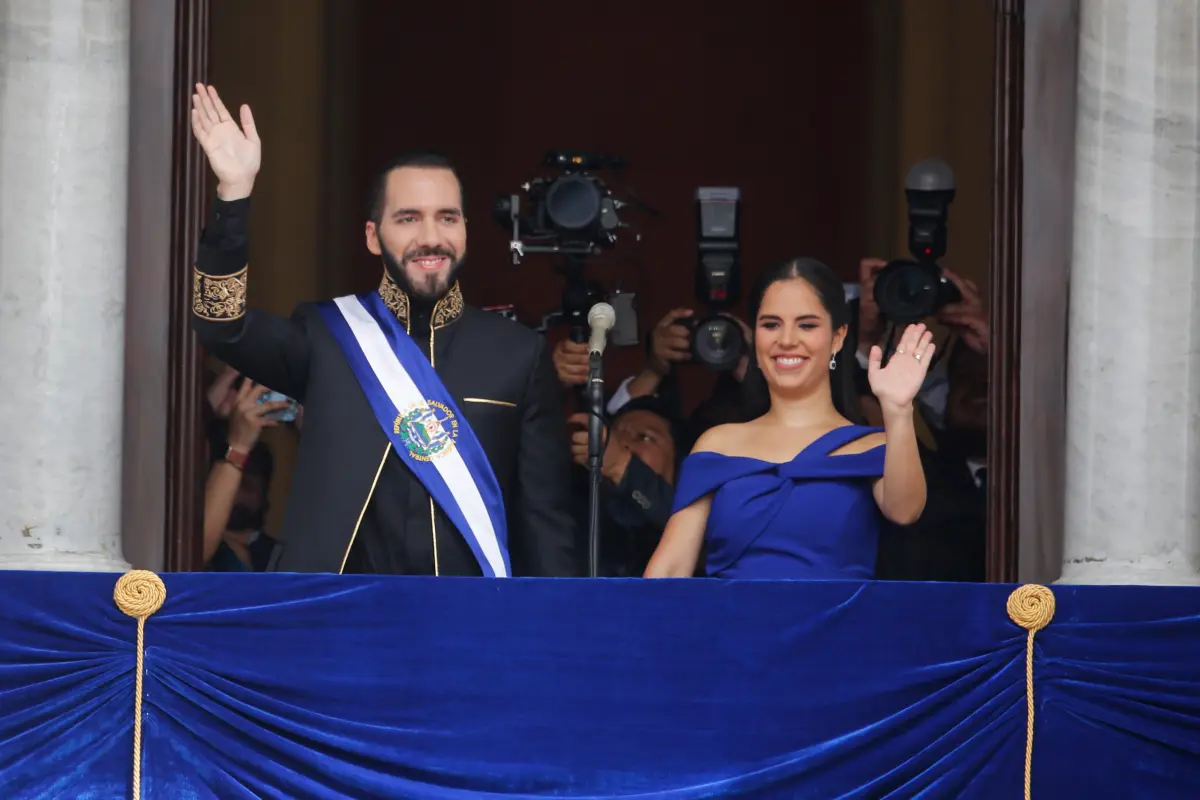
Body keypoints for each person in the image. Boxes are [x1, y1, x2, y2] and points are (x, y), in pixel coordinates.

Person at [188, 84, 578, 577]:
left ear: (465, 231)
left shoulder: (517, 354)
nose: (430, 237)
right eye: (408, 219)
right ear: (374, 237)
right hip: (337, 624)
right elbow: (220, 325)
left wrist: (555, 636)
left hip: (471, 629)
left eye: (447, 218)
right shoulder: (325, 335)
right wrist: (234, 195)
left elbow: (545, 523)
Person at [643, 257, 930, 580]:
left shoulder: (872, 445)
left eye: (807, 325)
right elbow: (669, 569)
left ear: (838, 338)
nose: (787, 339)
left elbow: (905, 510)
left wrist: (898, 409)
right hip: (733, 628)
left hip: (837, 629)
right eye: (771, 324)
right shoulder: (717, 443)